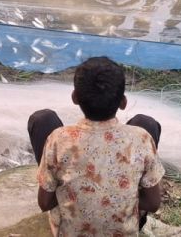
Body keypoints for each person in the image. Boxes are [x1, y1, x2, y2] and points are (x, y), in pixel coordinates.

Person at [29, 56, 164, 236]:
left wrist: (77, 199)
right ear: (123, 102)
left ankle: (57, 186)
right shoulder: (142, 138)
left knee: (42, 119)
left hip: (70, 232)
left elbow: (44, 203)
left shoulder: (58, 139)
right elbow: (153, 204)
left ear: (75, 97)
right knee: (145, 122)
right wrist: (118, 201)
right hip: (122, 231)